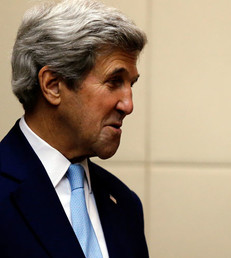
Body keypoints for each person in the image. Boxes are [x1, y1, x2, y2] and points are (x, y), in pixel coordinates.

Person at [0, 0, 148, 257]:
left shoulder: (125, 203)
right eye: (114, 81)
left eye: (131, 84)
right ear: (53, 85)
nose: (128, 105)